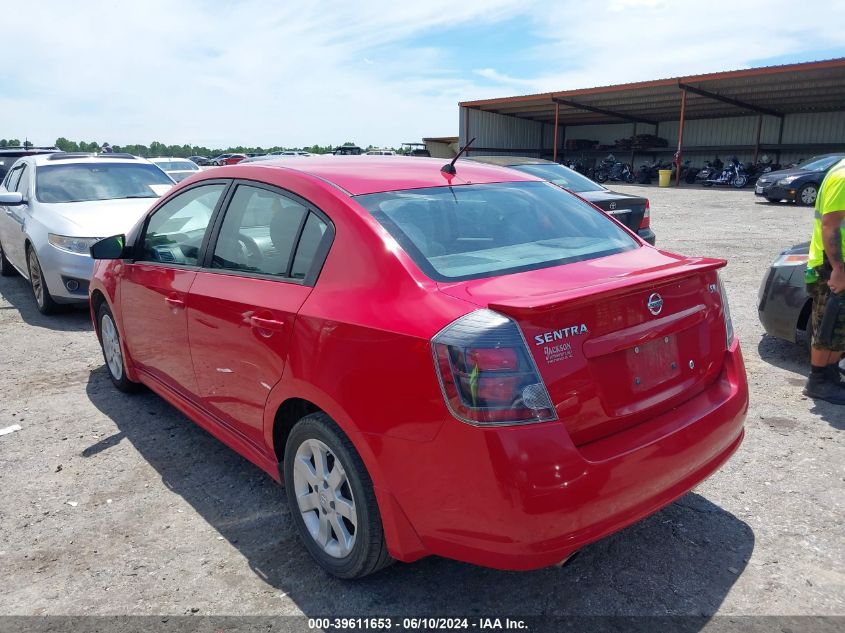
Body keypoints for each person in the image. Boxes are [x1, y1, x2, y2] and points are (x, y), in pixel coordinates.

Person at [803, 157, 845, 404]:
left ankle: (829, 377)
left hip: (835, 265)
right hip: (830, 267)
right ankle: (818, 382)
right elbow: (830, 225)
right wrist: (838, 269)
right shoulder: (843, 178)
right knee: (828, 325)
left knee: (839, 327)